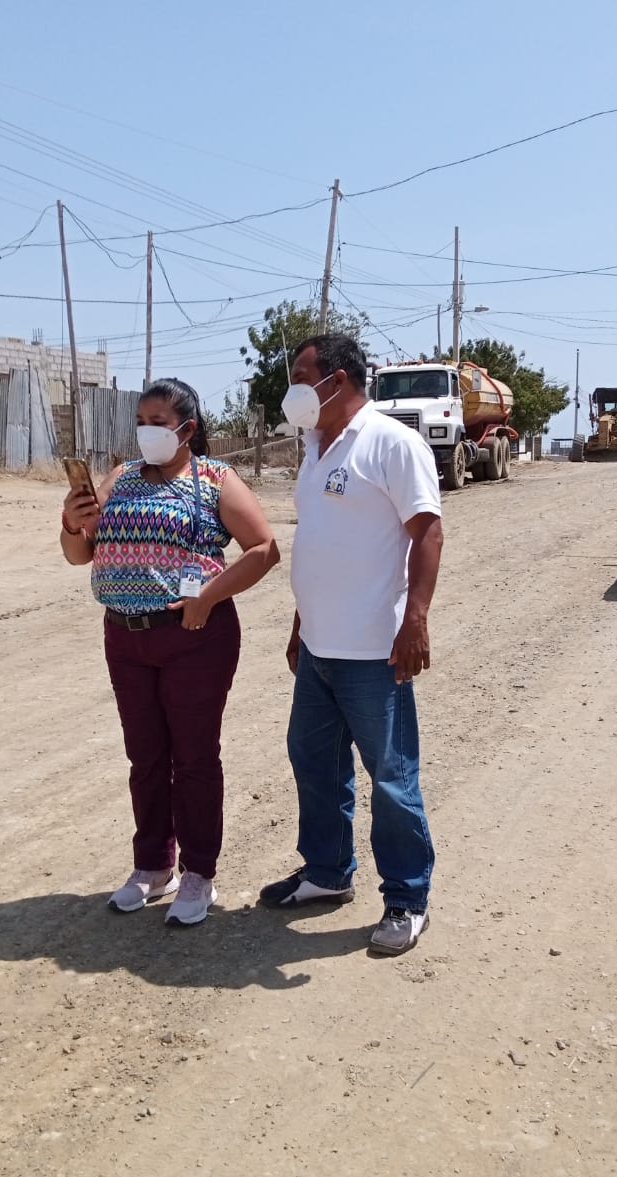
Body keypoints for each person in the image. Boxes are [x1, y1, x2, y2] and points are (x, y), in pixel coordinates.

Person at [60, 378, 280, 926]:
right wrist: (71, 521)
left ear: (188, 429)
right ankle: (153, 866)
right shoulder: (122, 478)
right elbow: (80, 554)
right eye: (141, 421)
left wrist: (209, 596)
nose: (146, 431)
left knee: (194, 758)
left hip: (194, 635)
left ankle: (199, 872)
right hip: (125, 637)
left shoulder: (215, 480)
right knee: (146, 757)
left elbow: (264, 549)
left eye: (158, 422)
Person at [258, 334, 444, 956]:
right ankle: (328, 871)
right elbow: (320, 543)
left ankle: (408, 898)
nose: (293, 387)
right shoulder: (314, 448)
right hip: (319, 646)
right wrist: (299, 623)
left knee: (390, 776)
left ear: (336, 380)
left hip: (373, 651)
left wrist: (415, 619)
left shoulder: (391, 442)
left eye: (300, 374)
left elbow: (427, 532)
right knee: (314, 761)